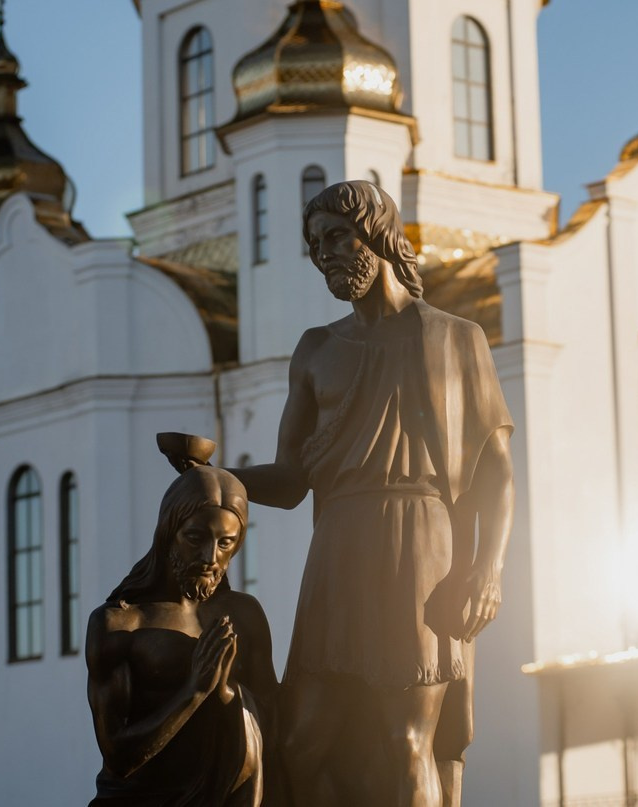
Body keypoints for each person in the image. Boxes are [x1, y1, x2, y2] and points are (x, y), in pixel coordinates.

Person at [215, 180, 514, 807]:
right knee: (299, 740)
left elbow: (496, 473)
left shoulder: (454, 337)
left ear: (377, 234)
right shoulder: (316, 349)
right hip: (338, 550)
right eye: (315, 244)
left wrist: (487, 569)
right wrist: (214, 479)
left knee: (405, 741)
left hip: (418, 547)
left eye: (336, 237)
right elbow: (290, 480)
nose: (324, 254)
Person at [85, 467, 279, 807]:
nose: (210, 557)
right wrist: (195, 691)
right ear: (168, 532)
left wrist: (226, 694)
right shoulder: (120, 624)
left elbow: (276, 720)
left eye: (225, 543)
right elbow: (118, 756)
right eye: (195, 538)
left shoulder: (244, 615)